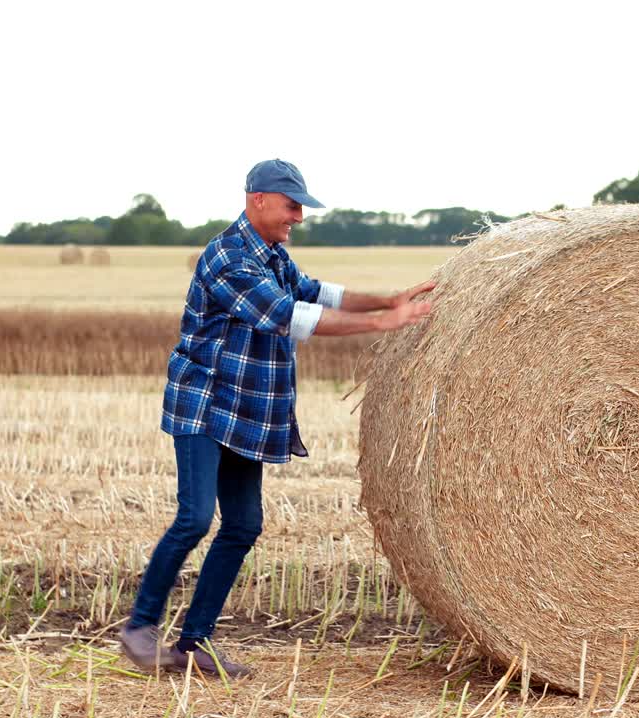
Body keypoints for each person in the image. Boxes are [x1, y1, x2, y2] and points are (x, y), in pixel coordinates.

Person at [119, 159, 433, 677]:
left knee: (243, 524)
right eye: (292, 205)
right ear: (258, 198)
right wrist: (385, 321)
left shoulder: (273, 257)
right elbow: (289, 316)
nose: (300, 217)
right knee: (196, 517)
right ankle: (139, 627)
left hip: (247, 411)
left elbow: (318, 293)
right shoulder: (229, 258)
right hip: (204, 403)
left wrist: (391, 297)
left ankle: (194, 644)